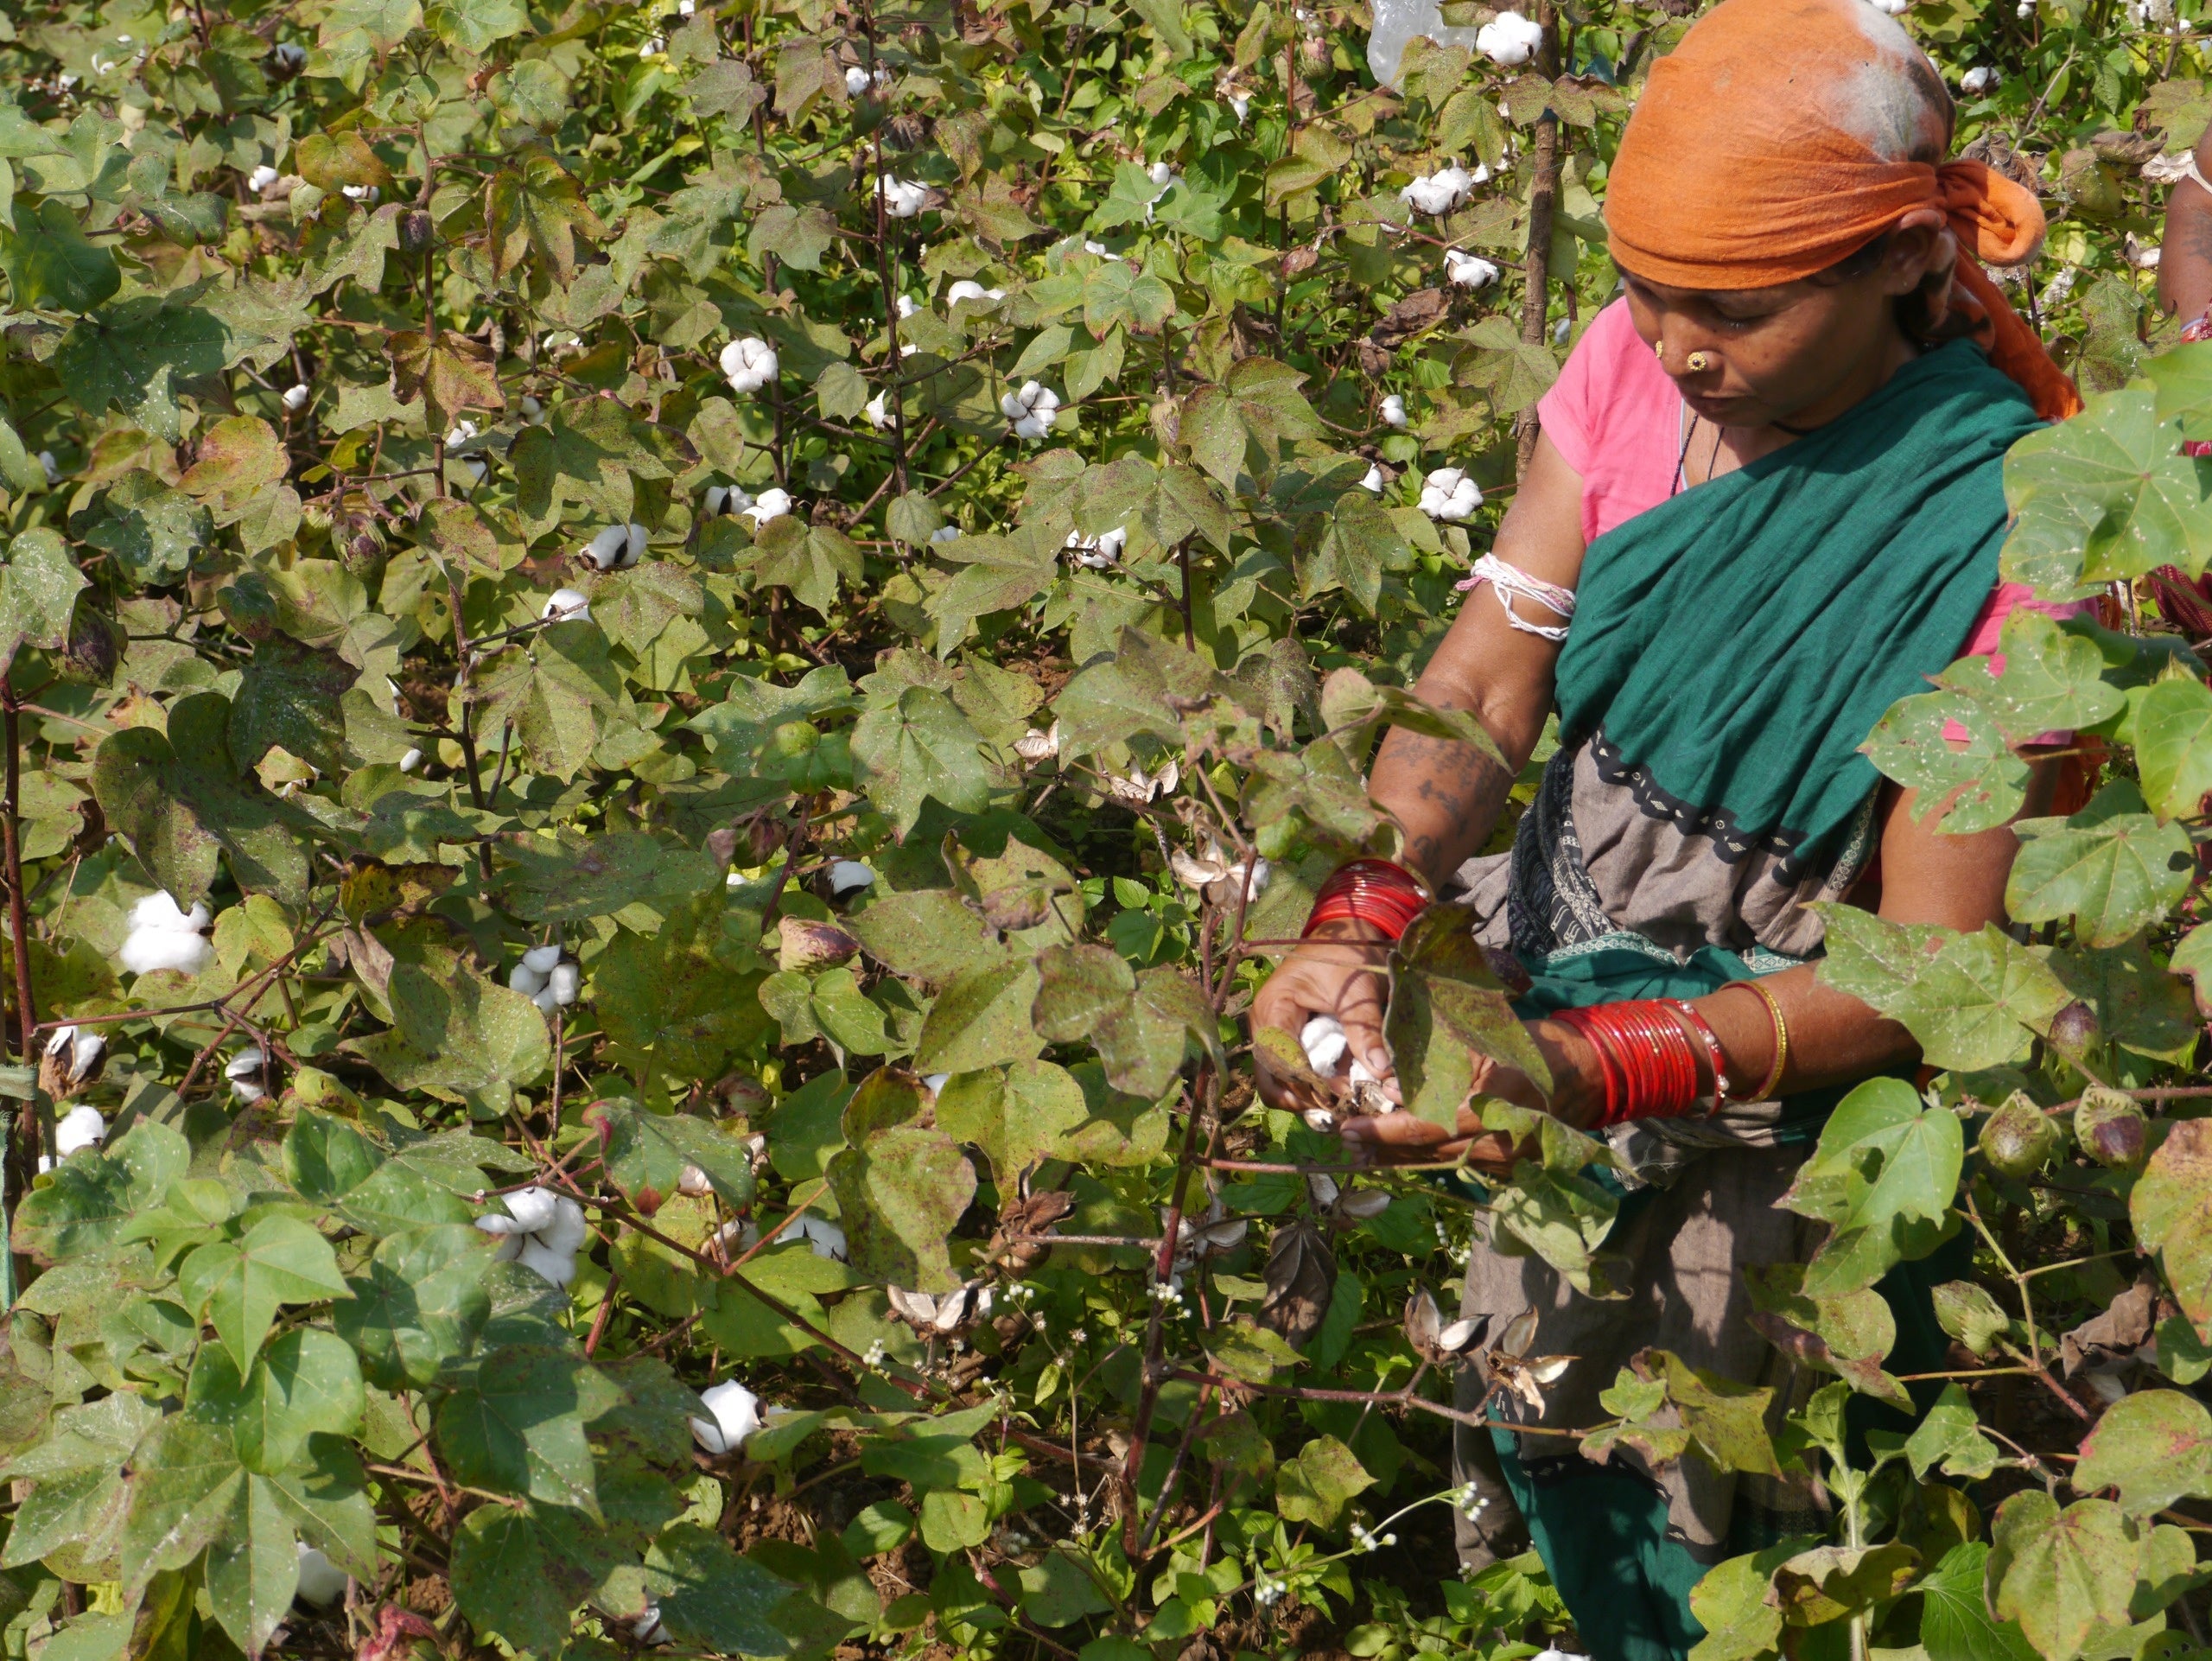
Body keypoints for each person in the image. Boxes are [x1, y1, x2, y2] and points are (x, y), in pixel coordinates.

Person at [1252, 1, 2085, 1656]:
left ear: (1912, 263)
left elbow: (1927, 974)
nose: (1677, 343)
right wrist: (1357, 921)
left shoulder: (2014, 540)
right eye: (1646, 290)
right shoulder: (1631, 373)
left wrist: (1588, 1070)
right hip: (1551, 985)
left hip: (1786, 1124)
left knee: (1744, 1522)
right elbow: (1492, 689)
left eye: (1738, 308)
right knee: (1559, 1428)